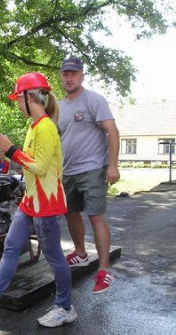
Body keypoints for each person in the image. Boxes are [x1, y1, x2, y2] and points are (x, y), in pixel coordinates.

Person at [0, 72, 77, 328]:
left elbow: (41, 167)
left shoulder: (46, 127)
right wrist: (13, 153)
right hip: (30, 201)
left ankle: (65, 307)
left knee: (54, 256)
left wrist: (11, 150)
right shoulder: (34, 127)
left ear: (28, 96)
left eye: (17, 98)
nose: (16, 103)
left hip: (45, 204)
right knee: (12, 247)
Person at [58, 57, 120, 294]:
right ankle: (81, 254)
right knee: (70, 213)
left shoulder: (94, 100)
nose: (69, 77)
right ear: (61, 77)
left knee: (95, 216)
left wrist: (112, 166)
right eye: (65, 73)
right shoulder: (59, 107)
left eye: (74, 73)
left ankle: (104, 271)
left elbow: (112, 132)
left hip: (93, 168)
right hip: (68, 171)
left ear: (82, 75)